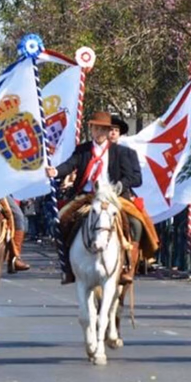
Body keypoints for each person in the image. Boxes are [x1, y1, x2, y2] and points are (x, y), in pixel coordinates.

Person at [47, 111, 150, 284]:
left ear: (109, 131)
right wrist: (55, 171)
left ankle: (128, 267)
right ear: (92, 129)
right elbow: (69, 165)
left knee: (136, 223)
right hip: (86, 196)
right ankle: (68, 267)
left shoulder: (121, 152)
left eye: (104, 129)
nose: (100, 133)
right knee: (60, 221)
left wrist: (119, 186)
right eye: (97, 129)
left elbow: (135, 178)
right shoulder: (83, 150)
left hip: (113, 197)